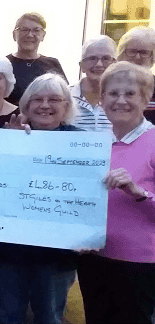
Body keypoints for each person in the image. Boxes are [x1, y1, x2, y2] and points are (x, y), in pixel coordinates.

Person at [0, 73, 81, 324]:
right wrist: (7, 146)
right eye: (38, 99)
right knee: (6, 316)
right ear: (26, 105)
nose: (45, 105)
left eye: (54, 99)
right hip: (8, 249)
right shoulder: (4, 134)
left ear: (66, 106)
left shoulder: (83, 142)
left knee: (50, 317)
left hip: (57, 253)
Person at [76, 61, 155, 323]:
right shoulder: (94, 145)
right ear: (102, 100)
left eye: (130, 93)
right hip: (94, 259)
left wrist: (137, 191)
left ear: (146, 98)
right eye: (112, 93)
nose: (121, 100)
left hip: (139, 264)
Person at [6, 12, 67, 105]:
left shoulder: (53, 64)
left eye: (36, 30)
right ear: (14, 35)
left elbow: (65, 98)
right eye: (24, 30)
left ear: (43, 35)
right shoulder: (4, 64)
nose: (30, 35)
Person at [71, 35, 117, 132]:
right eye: (92, 58)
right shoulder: (64, 96)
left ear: (115, 64)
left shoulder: (124, 99)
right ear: (81, 65)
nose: (99, 64)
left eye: (106, 59)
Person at [116, 26, 155, 120]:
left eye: (144, 52)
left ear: (153, 57)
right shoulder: (107, 85)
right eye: (132, 51)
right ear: (121, 53)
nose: (137, 57)